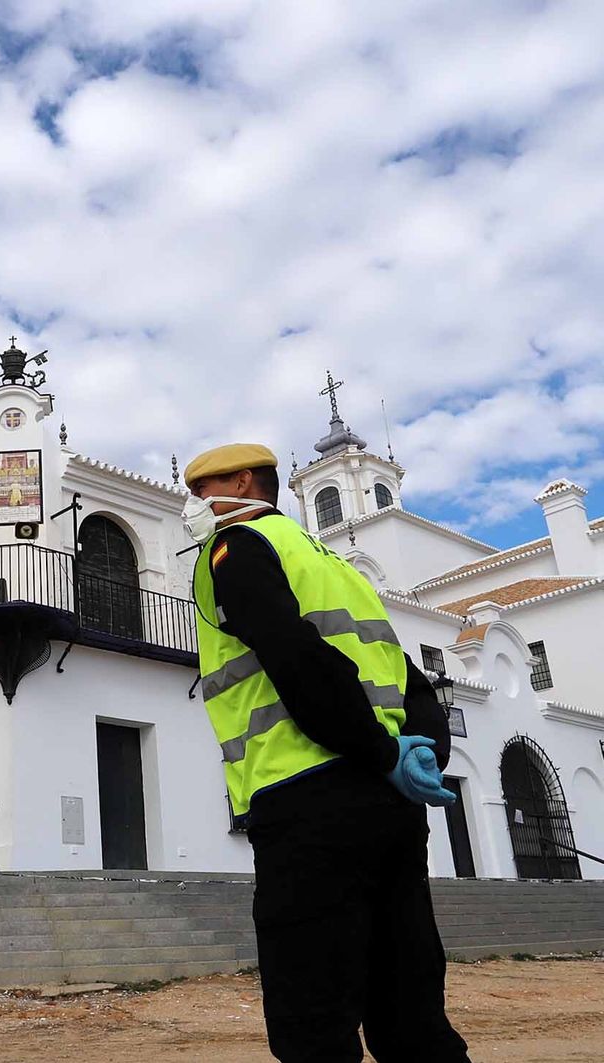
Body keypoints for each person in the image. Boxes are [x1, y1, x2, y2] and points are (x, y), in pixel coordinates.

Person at [182, 442, 470, 1063]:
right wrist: (418, 755)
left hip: (304, 796)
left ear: (239, 483)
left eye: (200, 492)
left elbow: (292, 653)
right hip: (390, 807)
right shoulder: (339, 567)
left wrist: (371, 750)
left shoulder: (239, 546)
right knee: (410, 1004)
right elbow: (409, 676)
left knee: (313, 1012)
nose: (194, 506)